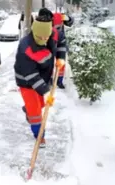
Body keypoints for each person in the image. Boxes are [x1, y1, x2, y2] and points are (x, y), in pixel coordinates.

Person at [14, 8, 66, 147]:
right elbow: (31, 74)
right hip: (26, 81)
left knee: (41, 104)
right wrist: (46, 91)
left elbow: (61, 41)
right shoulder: (25, 47)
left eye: (46, 37)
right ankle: (39, 135)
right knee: (36, 112)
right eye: (41, 37)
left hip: (43, 77)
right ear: (35, 32)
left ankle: (28, 109)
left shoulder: (51, 33)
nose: (44, 39)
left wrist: (61, 58)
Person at [51, 12, 71, 89]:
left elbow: (70, 21)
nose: (57, 27)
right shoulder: (49, 19)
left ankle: (58, 81)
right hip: (52, 44)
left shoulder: (62, 17)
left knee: (60, 64)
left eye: (59, 26)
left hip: (60, 44)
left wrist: (68, 18)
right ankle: (53, 80)